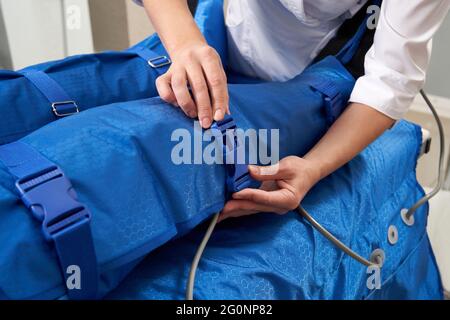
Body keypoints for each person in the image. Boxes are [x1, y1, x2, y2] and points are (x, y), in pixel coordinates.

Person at [135, 0, 450, 221]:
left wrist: (311, 169)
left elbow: (390, 82)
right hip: (233, 40)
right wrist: (185, 44)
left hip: (308, 80)